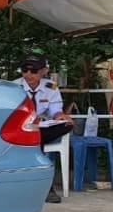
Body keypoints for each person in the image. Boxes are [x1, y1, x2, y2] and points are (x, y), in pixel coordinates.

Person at [14, 53, 72, 203]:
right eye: (24, 70)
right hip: (19, 128)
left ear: (44, 71)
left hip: (40, 128)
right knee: (34, 135)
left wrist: (60, 115)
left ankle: (42, 186)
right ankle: (47, 188)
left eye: (33, 71)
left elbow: (55, 110)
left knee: (66, 124)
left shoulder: (50, 87)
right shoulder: (14, 86)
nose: (28, 74)